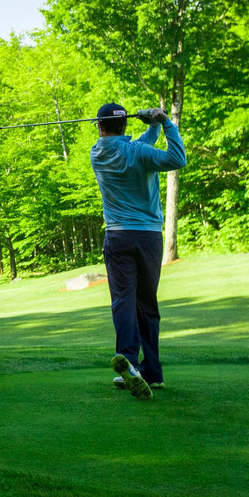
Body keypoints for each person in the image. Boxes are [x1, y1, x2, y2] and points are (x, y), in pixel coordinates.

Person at [90, 102, 186, 400]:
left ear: (99, 126)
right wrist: (165, 123)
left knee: (123, 301)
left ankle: (129, 362)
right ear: (125, 125)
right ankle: (152, 371)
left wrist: (153, 127)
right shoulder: (138, 153)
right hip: (147, 237)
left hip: (117, 237)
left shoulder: (98, 152)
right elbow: (177, 158)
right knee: (147, 303)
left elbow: (137, 148)